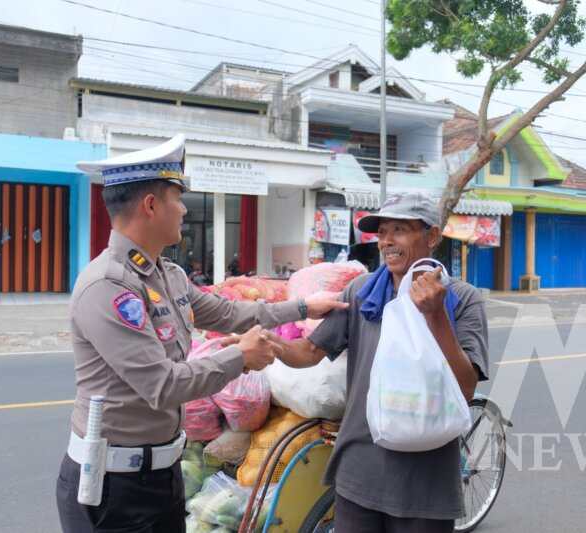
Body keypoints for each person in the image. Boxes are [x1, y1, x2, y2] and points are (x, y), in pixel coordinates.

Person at [56, 134, 347, 533]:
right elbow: (162, 385)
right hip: (112, 488)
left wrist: (302, 307)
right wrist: (240, 357)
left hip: (162, 478)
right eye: (178, 197)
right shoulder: (109, 286)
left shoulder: (168, 275)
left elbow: (228, 313)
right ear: (150, 205)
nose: (183, 208)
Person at [240, 192, 489, 533]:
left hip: (426, 481)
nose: (387, 241)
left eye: (400, 230)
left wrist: (436, 317)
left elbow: (465, 386)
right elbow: (309, 352)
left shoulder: (462, 299)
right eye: (382, 232)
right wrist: (270, 343)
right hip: (359, 469)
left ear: (432, 236)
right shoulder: (362, 292)